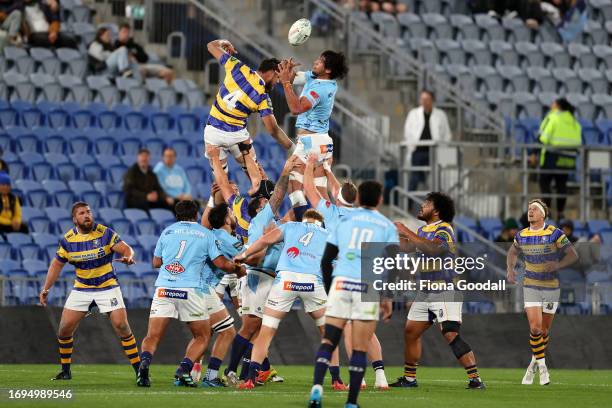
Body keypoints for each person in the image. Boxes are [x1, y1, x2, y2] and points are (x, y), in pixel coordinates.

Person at [136, 200, 246, 387]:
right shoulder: (205, 234)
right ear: (196, 214)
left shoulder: (167, 232)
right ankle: (186, 370)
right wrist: (237, 270)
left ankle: (144, 365)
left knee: (152, 336)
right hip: (193, 288)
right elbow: (221, 263)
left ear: (176, 215)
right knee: (203, 336)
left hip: (163, 288)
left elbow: (156, 262)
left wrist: (174, 265)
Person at [304, 154, 389, 390]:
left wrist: (311, 165)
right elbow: (341, 192)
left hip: (344, 275)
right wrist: (329, 172)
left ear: (337, 198)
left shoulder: (330, 212)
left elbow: (310, 189)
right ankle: (380, 376)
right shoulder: (365, 215)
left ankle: (358, 378)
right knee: (367, 328)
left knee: (350, 328)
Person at [392, 193, 485, 390]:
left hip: (445, 288)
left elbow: (433, 250)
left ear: (435, 210)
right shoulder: (423, 230)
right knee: (410, 331)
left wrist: (405, 229)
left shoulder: (445, 229)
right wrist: (398, 232)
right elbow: (406, 248)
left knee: (450, 332)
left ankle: (475, 379)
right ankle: (409, 379)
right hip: (425, 291)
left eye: (426, 204)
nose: (421, 206)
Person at [236, 209, 337, 390]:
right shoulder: (327, 233)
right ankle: (337, 380)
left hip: (285, 282)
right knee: (328, 335)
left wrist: (244, 255)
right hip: (312, 283)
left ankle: (250, 378)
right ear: (319, 222)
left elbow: (265, 240)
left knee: (265, 333)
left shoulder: (290, 226)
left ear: (304, 219)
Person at [38, 202, 140, 380]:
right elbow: (56, 265)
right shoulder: (68, 240)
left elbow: (125, 248)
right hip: (82, 288)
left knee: (122, 326)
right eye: (82, 213)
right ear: (74, 219)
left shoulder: (105, 233)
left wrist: (129, 257)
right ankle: (66, 371)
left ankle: (140, 371)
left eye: (89, 212)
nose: (87, 215)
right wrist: (46, 288)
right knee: (64, 329)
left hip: (107, 286)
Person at [220, 156, 297, 386]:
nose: (273, 201)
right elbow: (281, 193)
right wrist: (287, 172)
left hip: (268, 278)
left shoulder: (271, 222)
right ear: (262, 203)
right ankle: (231, 371)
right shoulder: (263, 215)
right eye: (269, 199)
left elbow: (294, 212)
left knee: (261, 328)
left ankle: (248, 373)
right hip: (258, 277)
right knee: (252, 325)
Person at [204, 39, 293, 196]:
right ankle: (264, 210)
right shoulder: (263, 98)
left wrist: (225, 42)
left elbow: (211, 46)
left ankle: (230, 214)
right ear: (272, 72)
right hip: (238, 137)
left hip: (213, 133)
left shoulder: (237, 66)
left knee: (221, 187)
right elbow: (273, 130)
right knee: (261, 182)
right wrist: (292, 148)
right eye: (278, 79)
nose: (277, 83)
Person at [507, 199, 578, 386]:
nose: (530, 211)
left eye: (534, 209)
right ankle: (544, 367)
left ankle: (533, 365)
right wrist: (510, 269)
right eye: (529, 209)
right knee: (535, 329)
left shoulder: (555, 233)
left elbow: (573, 254)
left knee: (544, 331)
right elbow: (512, 252)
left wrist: (558, 264)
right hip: (530, 285)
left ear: (542, 214)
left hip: (551, 287)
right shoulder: (521, 234)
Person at [277, 50, 348, 221]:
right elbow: (297, 78)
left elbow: (296, 108)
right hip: (323, 142)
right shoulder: (324, 81)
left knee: (295, 189)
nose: (315, 62)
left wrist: (286, 82)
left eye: (320, 61)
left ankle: (307, 229)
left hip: (310, 143)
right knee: (320, 195)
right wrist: (287, 72)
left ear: (328, 69)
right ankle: (334, 228)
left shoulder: (320, 89)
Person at [190, 202, 243, 387]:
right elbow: (249, 259)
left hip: (193, 287)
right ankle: (211, 376)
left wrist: (213, 198)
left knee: (202, 335)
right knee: (228, 332)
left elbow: (206, 221)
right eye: (231, 213)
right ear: (227, 219)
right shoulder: (229, 240)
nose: (234, 216)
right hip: (204, 289)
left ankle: (184, 372)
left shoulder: (209, 234)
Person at [206, 144, 275, 245]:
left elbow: (223, 184)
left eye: (258, 184)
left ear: (262, 202)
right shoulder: (272, 220)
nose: (253, 182)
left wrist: (215, 157)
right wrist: (245, 153)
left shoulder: (242, 211)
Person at [534, 97, 581, 220]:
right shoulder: (574, 121)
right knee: (561, 185)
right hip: (567, 159)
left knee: (544, 183)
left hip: (551, 157)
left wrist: (533, 153)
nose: (551, 105)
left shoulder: (553, 117)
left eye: (553, 103)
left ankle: (547, 212)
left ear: (558, 106)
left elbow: (542, 138)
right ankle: (560, 213)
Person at [403, 90, 452, 194]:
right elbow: (408, 132)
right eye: (422, 99)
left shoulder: (440, 115)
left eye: (427, 99)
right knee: (415, 178)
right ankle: (409, 204)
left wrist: (443, 150)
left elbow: (447, 134)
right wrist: (411, 146)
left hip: (434, 152)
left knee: (437, 179)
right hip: (418, 151)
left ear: (432, 100)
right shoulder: (413, 114)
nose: (424, 102)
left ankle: (437, 204)